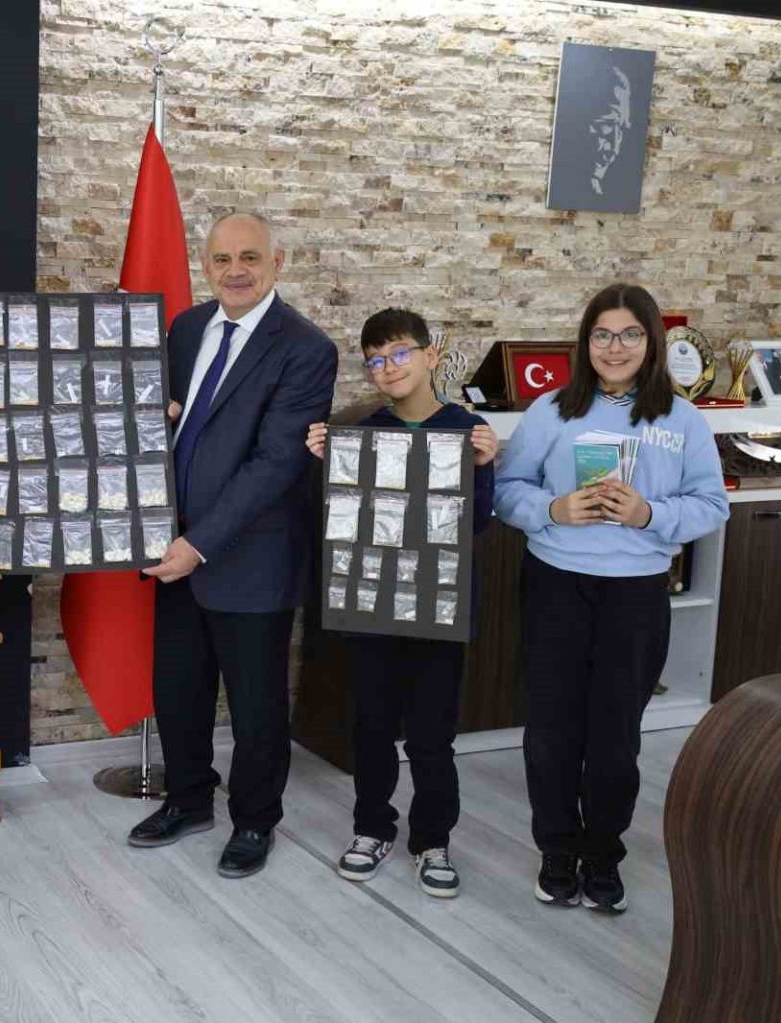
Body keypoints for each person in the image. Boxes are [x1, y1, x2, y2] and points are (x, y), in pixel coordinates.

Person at [495, 282, 728, 913]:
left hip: (636, 593)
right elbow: (507, 489)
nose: (615, 347)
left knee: (615, 734)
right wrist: (553, 509)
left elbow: (712, 504)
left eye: (629, 334)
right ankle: (556, 850)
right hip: (556, 585)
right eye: (602, 334)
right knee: (551, 729)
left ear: (651, 341)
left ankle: (602, 854)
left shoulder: (681, 419)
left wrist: (650, 513)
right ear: (586, 341)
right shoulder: (552, 410)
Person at [130, 212, 336, 879]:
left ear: (279, 262)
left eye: (250, 257)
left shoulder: (306, 348)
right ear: (205, 265)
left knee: (255, 707)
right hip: (173, 548)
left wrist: (199, 544)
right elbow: (163, 421)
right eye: (222, 259)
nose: (235, 271)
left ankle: (253, 820)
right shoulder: (186, 328)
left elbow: (276, 464)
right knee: (179, 690)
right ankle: (188, 799)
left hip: (249, 556)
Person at [304, 309, 498, 898]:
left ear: (431, 354)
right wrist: (324, 465)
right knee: (372, 726)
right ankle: (372, 829)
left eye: (399, 353)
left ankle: (432, 839)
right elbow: (338, 522)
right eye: (376, 361)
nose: (388, 368)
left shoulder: (467, 430)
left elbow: (478, 523)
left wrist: (484, 466)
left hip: (438, 607)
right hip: (375, 606)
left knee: (432, 735)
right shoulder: (361, 431)